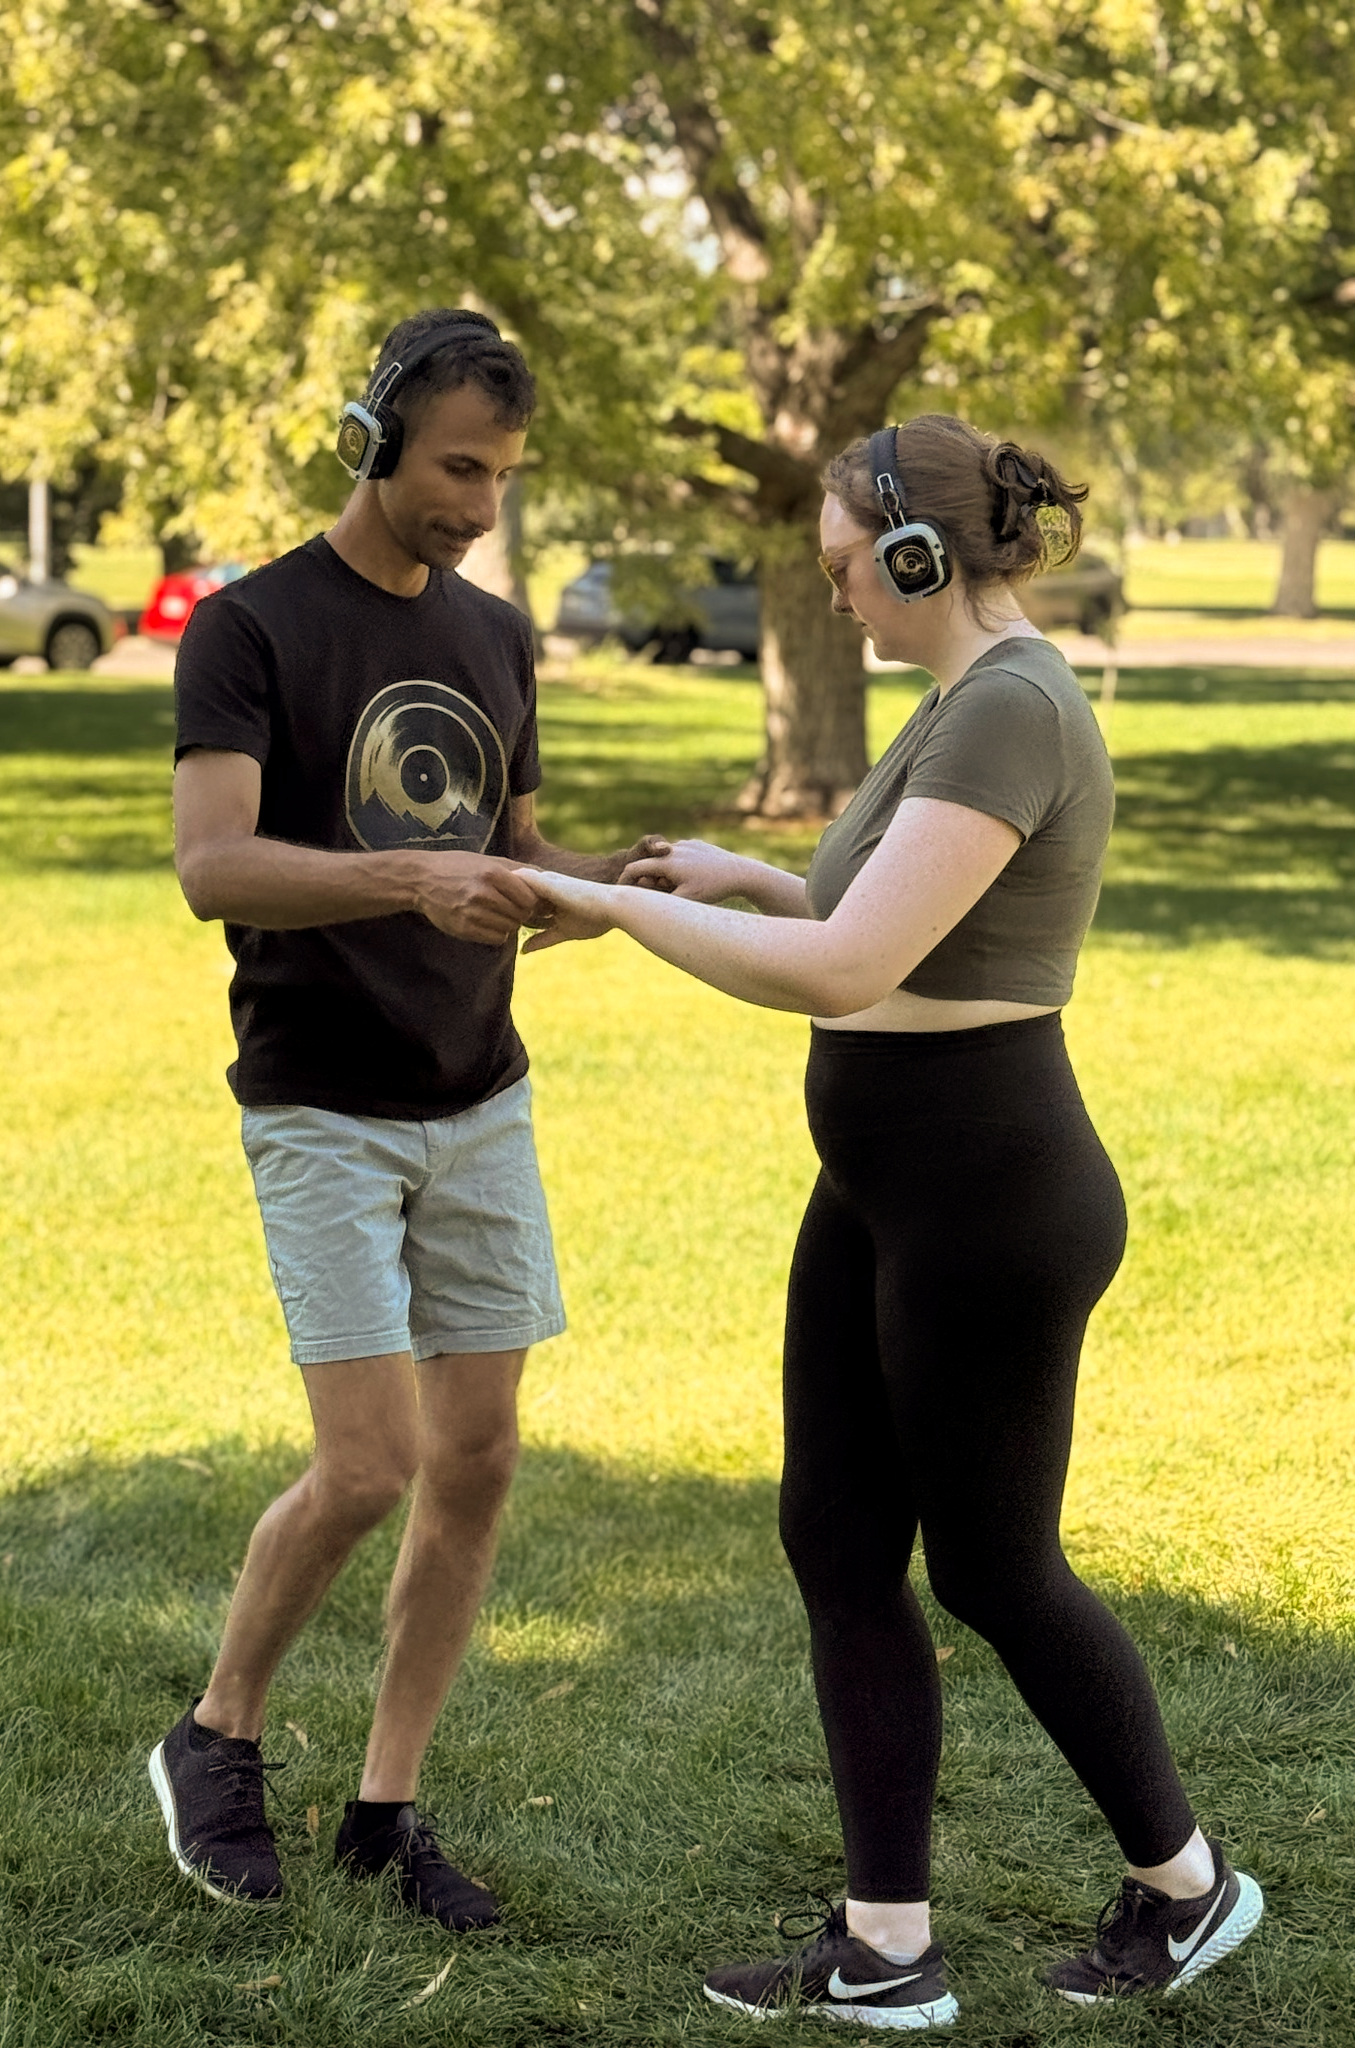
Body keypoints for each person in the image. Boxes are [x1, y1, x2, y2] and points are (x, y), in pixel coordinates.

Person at [519, 415, 1263, 2025]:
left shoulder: (1008, 709)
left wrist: (612, 904)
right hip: (881, 1188)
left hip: (990, 1203)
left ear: (919, 553)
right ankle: (888, 1947)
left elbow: (854, 975)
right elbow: (884, 922)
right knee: (841, 1546)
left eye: (849, 562)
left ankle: (1189, 1887)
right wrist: (744, 874)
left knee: (997, 1571)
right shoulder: (957, 704)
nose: (836, 589)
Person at [149, 308, 664, 1930]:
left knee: (479, 1462)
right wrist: (403, 877)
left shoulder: (501, 639)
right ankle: (215, 1733)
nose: (482, 505)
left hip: (480, 1100)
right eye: (457, 466)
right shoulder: (249, 630)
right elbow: (211, 866)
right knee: (366, 1466)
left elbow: (508, 845)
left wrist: (606, 889)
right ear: (372, 441)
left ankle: (386, 1807)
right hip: (321, 1104)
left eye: (503, 475)